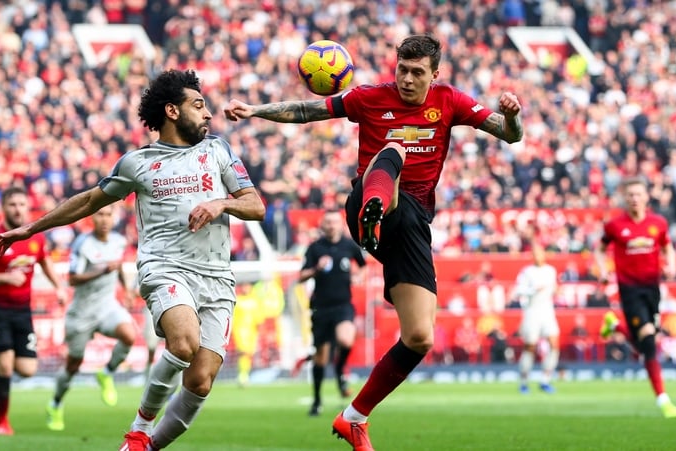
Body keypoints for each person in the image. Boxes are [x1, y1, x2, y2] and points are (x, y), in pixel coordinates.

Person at [224, 34, 522, 449]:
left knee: (419, 337)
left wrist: (512, 116)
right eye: (402, 69)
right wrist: (255, 110)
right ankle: (374, 212)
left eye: (417, 72)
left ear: (434, 74)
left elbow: (510, 135)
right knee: (393, 149)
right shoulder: (369, 98)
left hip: (412, 226)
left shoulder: (450, 101)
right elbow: (309, 111)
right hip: (367, 200)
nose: (407, 79)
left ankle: (354, 417)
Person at [0, 69, 266, 450]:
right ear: (172, 111)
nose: (208, 113)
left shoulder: (218, 151)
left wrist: (221, 203)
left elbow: (256, 206)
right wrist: (30, 228)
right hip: (166, 268)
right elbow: (89, 201)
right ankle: (139, 429)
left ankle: (144, 448)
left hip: (217, 277)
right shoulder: (137, 163)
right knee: (183, 342)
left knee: (200, 381)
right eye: (198, 105)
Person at [0, 186, 67, 435]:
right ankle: (2, 422)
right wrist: (6, 278)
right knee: (5, 366)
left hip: (22, 311)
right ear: (4, 207)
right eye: (12, 204)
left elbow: (45, 261)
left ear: (28, 207)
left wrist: (59, 287)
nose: (18, 209)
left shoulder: (36, 238)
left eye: (22, 204)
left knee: (27, 370)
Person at [595, 176, 676, 418]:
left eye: (638, 194)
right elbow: (600, 250)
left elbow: (667, 247)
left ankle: (616, 326)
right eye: (630, 194)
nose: (634, 198)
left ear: (646, 197)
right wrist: (603, 271)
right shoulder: (615, 226)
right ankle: (663, 399)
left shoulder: (658, 223)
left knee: (643, 343)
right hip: (630, 290)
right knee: (649, 342)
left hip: (653, 289)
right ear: (625, 198)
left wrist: (672, 266)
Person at [46, 205, 138, 431]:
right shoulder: (83, 243)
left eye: (108, 215)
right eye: (100, 215)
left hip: (107, 307)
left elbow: (117, 267)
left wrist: (126, 289)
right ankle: (55, 403)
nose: (104, 220)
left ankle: (106, 373)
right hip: (82, 312)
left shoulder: (118, 241)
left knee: (129, 334)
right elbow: (72, 278)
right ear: (92, 218)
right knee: (73, 364)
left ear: (114, 218)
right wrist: (101, 270)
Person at [298, 209, 366, 416]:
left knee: (346, 339)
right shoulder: (315, 248)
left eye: (335, 222)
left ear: (341, 224)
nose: (331, 225)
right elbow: (301, 276)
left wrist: (358, 276)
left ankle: (339, 370)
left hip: (343, 304)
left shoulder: (349, 245)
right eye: (327, 222)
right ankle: (317, 399)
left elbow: (363, 265)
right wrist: (316, 269)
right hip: (321, 308)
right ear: (322, 225)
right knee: (320, 357)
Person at [512, 242, 560, 394]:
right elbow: (518, 290)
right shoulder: (527, 272)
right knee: (530, 347)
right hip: (532, 312)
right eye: (535, 254)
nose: (538, 256)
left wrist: (556, 290)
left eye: (540, 253)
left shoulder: (551, 270)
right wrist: (533, 289)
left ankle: (545, 380)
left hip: (547, 311)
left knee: (554, 343)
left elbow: (554, 288)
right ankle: (524, 382)